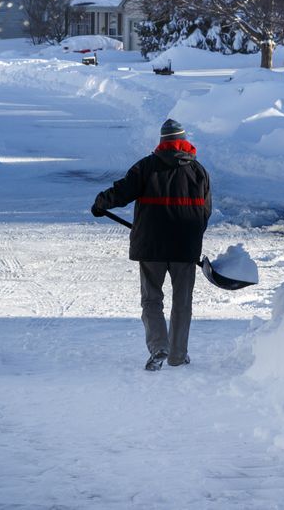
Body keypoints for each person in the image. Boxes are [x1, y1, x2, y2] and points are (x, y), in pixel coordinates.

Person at [90, 119, 212, 371]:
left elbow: (121, 192)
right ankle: (178, 354)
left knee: (151, 299)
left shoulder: (146, 167)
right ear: (184, 141)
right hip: (185, 248)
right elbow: (205, 212)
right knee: (182, 301)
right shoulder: (199, 171)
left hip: (151, 246)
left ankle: (159, 347)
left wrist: (100, 203)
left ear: (162, 142)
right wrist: (191, 237)